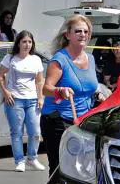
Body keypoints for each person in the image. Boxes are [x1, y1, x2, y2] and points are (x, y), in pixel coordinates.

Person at [41, 15, 105, 175]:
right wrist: (59, 91)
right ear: (67, 35)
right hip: (58, 121)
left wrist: (98, 96)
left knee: (82, 171)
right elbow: (46, 88)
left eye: (86, 31)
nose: (82, 34)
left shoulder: (90, 59)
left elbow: (87, 88)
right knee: (60, 169)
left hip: (83, 122)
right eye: (78, 31)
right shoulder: (60, 59)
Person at [0, 30, 45, 172]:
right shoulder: (10, 58)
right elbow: (0, 76)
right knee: (16, 132)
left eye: (29, 42)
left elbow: (39, 80)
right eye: (24, 41)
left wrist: (41, 97)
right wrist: (5, 92)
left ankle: (32, 158)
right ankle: (19, 160)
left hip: (32, 100)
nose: (27, 45)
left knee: (35, 131)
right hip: (15, 100)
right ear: (18, 43)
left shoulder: (36, 59)